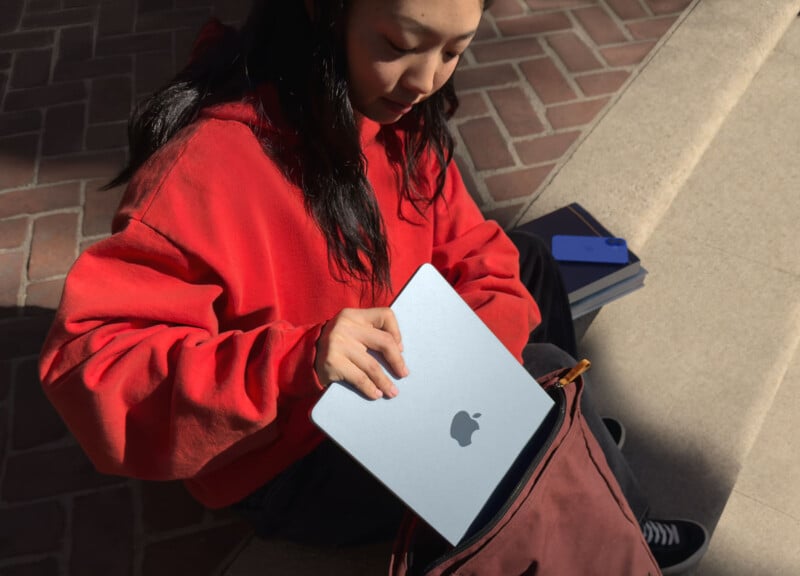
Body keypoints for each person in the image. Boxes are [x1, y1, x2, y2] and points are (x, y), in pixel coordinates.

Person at [37, 0, 707, 572]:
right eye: (399, 45)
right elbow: (93, 369)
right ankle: (599, 501)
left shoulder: (400, 123)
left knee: (533, 270)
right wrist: (297, 359)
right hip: (288, 449)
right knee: (545, 377)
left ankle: (566, 455)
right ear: (326, 12)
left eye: (454, 50)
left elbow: (480, 250)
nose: (424, 80)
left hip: (391, 383)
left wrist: (480, 374)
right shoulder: (206, 171)